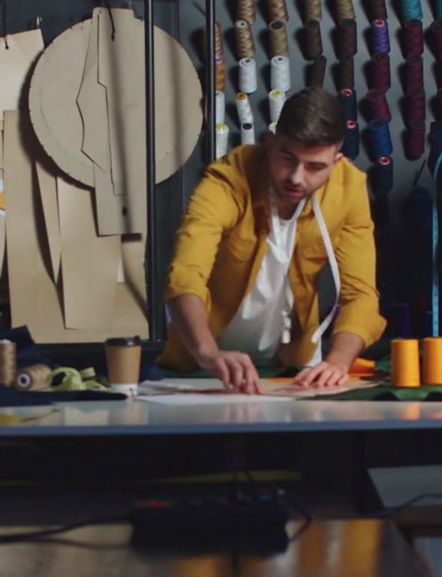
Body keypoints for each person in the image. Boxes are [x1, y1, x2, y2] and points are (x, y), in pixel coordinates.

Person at [159, 88, 385, 393]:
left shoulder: (349, 189)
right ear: (270, 143)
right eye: (287, 158)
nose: (296, 177)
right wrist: (208, 353)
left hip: (291, 366)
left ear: (336, 162)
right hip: (204, 360)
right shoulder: (228, 178)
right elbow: (185, 273)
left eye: (315, 167)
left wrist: (338, 362)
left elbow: (360, 294)